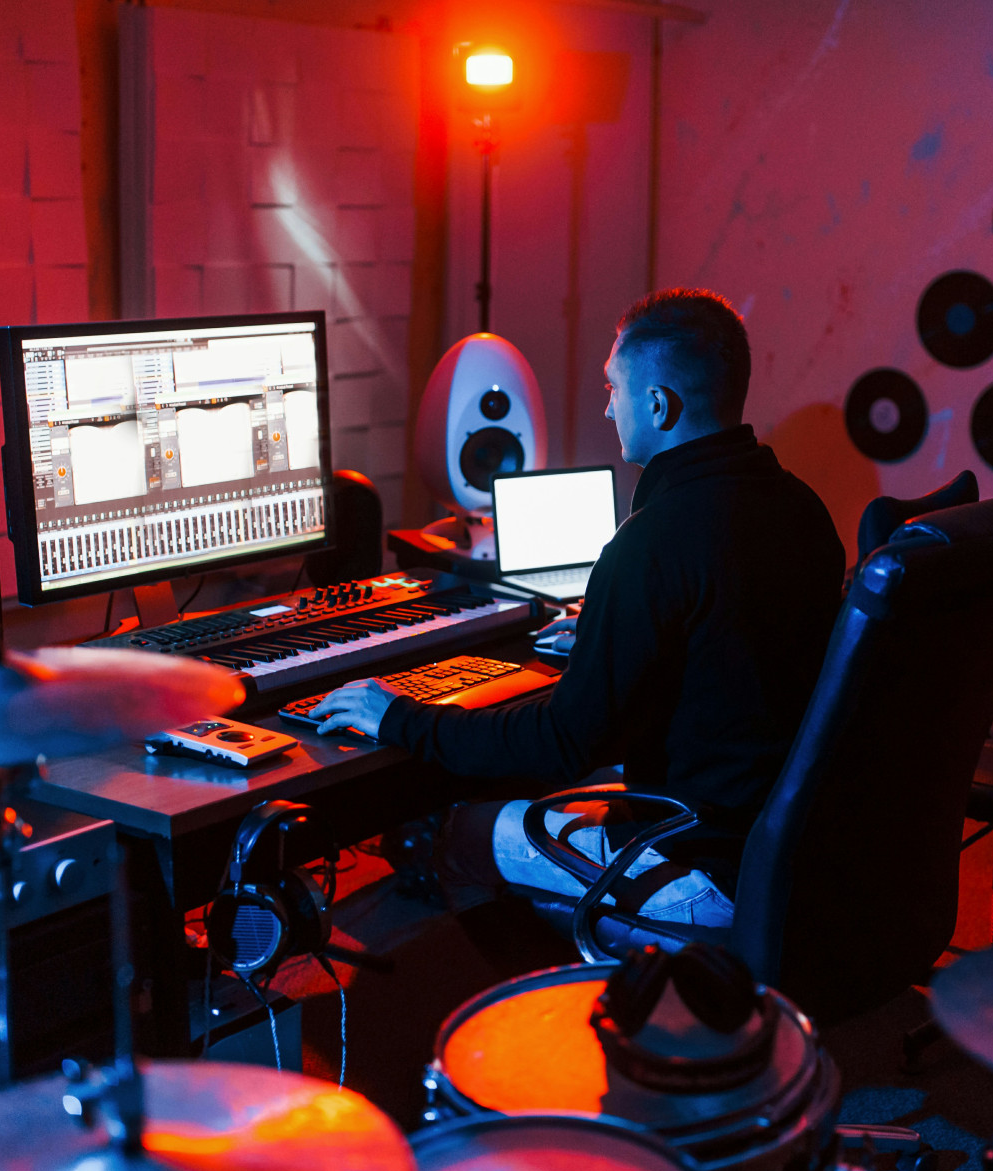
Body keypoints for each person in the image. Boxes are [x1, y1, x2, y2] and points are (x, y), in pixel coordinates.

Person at [305, 289, 845, 927]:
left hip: (703, 871)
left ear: (658, 405)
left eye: (614, 388)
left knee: (463, 832)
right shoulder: (803, 508)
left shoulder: (651, 541)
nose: (608, 407)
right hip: (790, 856)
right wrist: (610, 634)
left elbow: (563, 742)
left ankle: (559, 983)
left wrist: (399, 716)